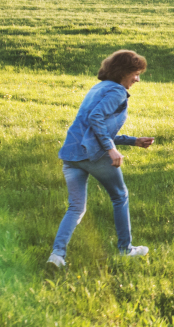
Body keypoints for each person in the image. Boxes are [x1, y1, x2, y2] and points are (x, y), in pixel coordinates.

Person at [47, 49, 155, 267]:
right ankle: (126, 249)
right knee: (119, 196)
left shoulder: (98, 88)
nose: (137, 79)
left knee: (76, 207)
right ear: (123, 71)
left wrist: (132, 140)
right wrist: (111, 149)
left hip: (72, 154)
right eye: (135, 73)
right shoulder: (116, 92)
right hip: (94, 154)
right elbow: (96, 118)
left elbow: (94, 126)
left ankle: (57, 255)